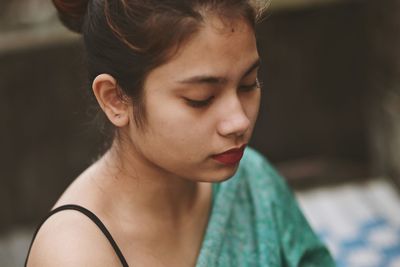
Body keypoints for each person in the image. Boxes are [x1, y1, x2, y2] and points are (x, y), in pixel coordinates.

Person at [25, 0, 335, 266]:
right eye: (200, 99)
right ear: (115, 98)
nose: (238, 121)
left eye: (248, 84)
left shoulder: (253, 182)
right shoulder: (76, 254)